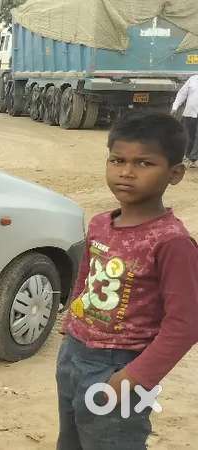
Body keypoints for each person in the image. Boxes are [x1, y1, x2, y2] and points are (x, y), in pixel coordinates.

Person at [56, 112, 198, 449]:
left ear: (174, 174)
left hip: (120, 367)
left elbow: (186, 323)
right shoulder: (100, 224)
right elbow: (86, 275)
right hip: (73, 356)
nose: (126, 172)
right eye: (117, 160)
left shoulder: (172, 242)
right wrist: (71, 321)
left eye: (144, 163)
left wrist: (132, 379)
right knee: (71, 440)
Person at [171, 73, 198, 168]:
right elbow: (182, 93)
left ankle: (193, 159)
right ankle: (186, 156)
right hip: (189, 113)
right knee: (188, 136)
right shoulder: (193, 79)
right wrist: (175, 107)